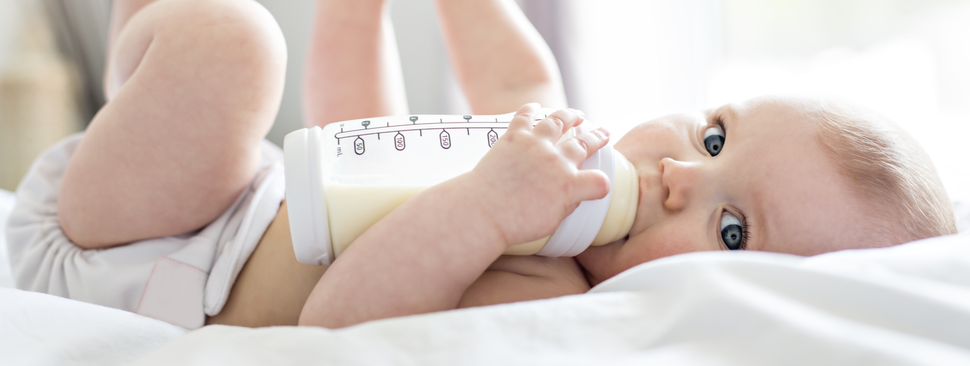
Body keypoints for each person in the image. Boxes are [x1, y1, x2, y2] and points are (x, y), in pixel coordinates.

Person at [6, 0, 956, 331]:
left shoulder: (539, 290)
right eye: (713, 138)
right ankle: (143, 73)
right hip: (228, 198)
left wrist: (492, 206)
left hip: (137, 264)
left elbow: (338, 317)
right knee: (239, 56)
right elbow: (359, 135)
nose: (679, 176)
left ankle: (133, 61)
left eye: (731, 226)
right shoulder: (561, 175)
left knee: (234, 48)